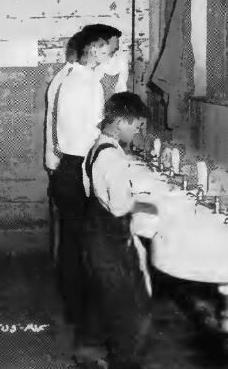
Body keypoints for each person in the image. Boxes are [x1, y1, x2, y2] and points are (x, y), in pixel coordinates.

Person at [78, 92, 157, 369]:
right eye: (136, 125)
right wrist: (152, 206)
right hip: (111, 244)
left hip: (94, 237)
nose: (138, 131)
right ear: (121, 122)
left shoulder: (96, 148)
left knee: (112, 304)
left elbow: (91, 190)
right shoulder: (114, 158)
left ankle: (107, 358)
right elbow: (121, 207)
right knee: (133, 312)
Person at [45, 28, 113, 327]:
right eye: (112, 48)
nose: (115, 54)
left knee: (75, 242)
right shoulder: (85, 83)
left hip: (69, 167)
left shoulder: (76, 79)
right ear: (96, 49)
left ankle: (77, 307)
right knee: (80, 242)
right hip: (77, 167)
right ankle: (81, 311)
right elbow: (88, 136)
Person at [82, 24, 130, 99]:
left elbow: (121, 96)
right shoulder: (75, 70)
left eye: (115, 50)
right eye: (112, 51)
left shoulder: (120, 64)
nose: (114, 53)